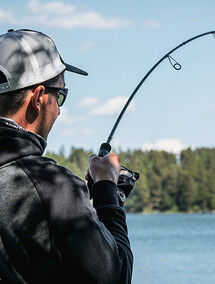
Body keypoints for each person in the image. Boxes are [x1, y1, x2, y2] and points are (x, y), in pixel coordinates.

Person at [0, 29, 133, 283]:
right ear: (38, 97)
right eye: (59, 96)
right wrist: (107, 192)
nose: (59, 111)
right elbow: (116, 276)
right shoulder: (52, 188)